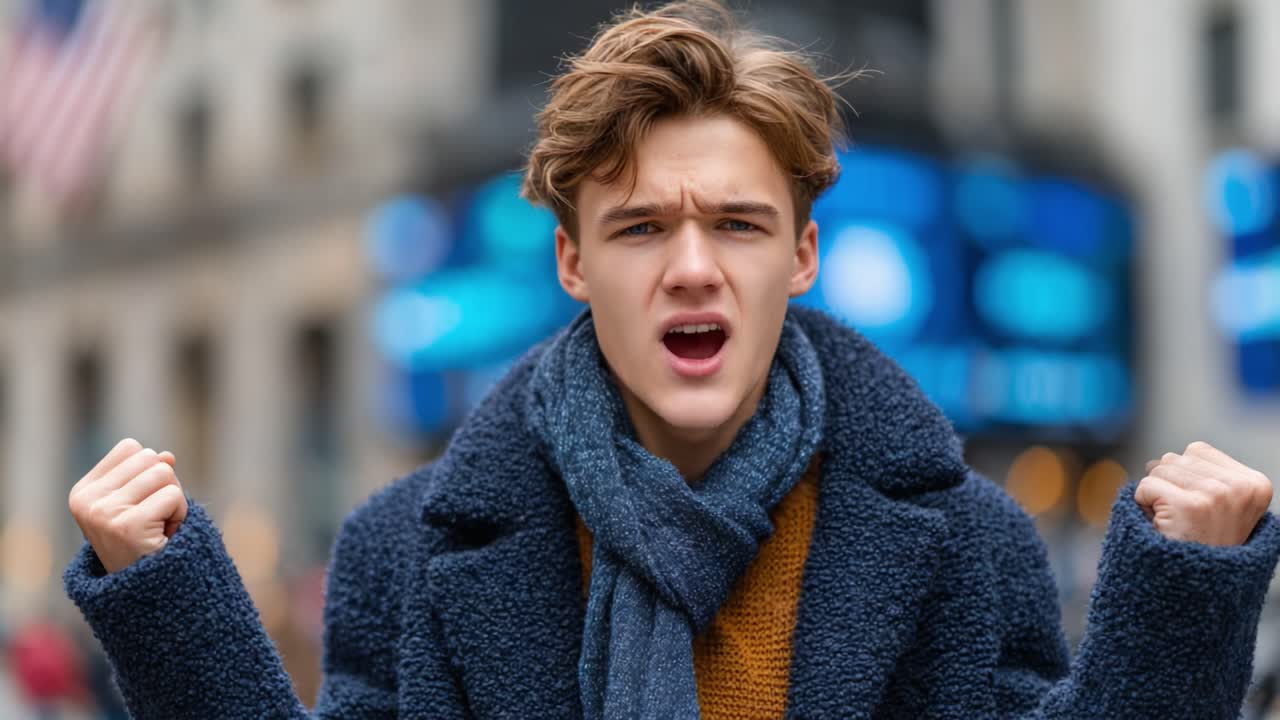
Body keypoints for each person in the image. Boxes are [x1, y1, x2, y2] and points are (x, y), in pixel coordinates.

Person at [63, 1, 1280, 718]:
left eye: (737, 225)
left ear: (800, 256)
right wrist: (164, 596)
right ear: (571, 264)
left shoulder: (967, 539)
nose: (691, 267)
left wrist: (1184, 596)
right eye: (639, 226)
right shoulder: (405, 549)